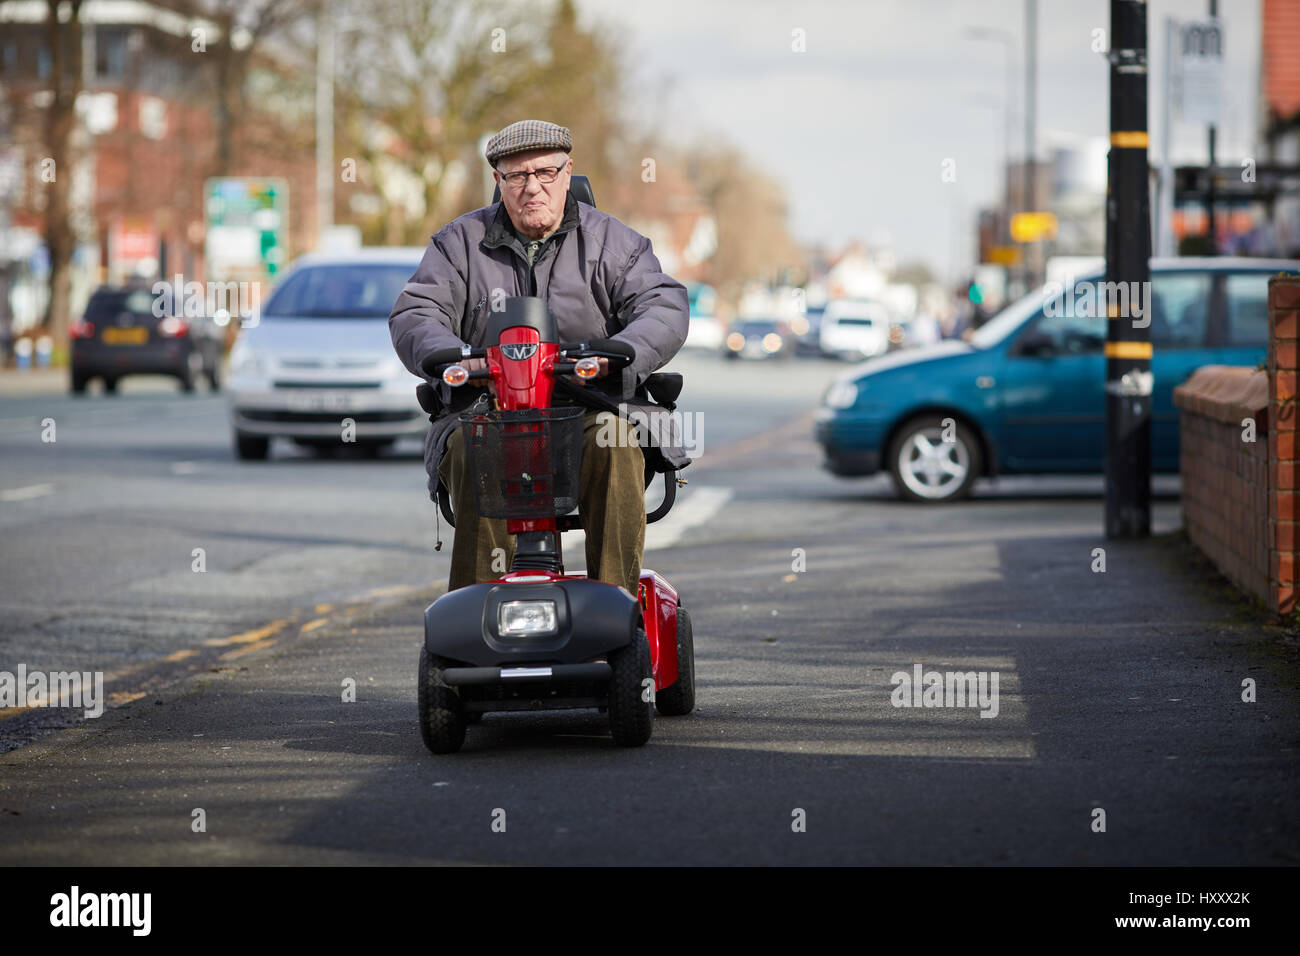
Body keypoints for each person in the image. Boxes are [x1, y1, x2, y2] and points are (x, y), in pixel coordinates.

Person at [389, 120, 689, 596]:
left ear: (568, 172)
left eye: (546, 173)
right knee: (468, 446)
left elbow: (664, 305)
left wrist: (626, 352)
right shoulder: (458, 244)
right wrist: (447, 357)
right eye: (517, 176)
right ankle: (477, 613)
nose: (533, 187)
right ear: (498, 181)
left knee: (617, 443)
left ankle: (614, 607)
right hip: (490, 413)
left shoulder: (615, 243)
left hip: (589, 408)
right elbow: (415, 312)